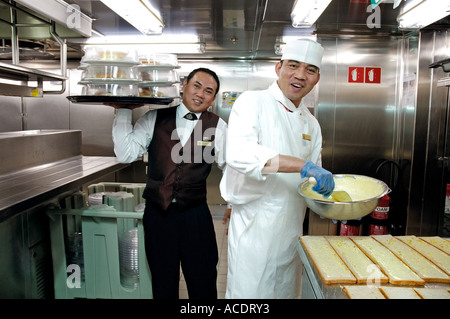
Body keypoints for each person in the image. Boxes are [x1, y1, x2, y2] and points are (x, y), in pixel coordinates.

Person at [220, 39, 334, 299]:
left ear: (317, 78)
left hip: (292, 228)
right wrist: (304, 165)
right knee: (250, 296)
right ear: (278, 67)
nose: (300, 75)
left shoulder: (312, 124)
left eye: (310, 70)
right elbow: (241, 154)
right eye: (293, 66)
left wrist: (331, 200)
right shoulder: (252, 102)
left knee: (285, 292)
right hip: (254, 229)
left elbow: (311, 182)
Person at [109, 68, 226, 299]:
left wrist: (236, 201)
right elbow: (126, 154)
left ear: (213, 99)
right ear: (184, 85)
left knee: (202, 281)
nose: (201, 94)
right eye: (197, 85)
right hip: (158, 215)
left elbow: (230, 166)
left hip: (196, 216)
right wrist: (122, 110)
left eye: (208, 91)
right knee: (163, 283)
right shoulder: (154, 118)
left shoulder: (218, 126)